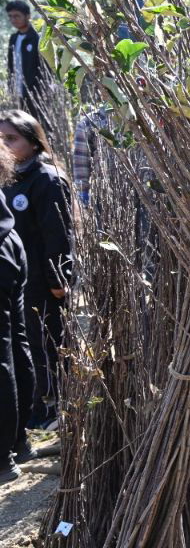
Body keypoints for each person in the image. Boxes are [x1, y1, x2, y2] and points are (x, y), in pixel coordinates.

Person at [0, 110, 74, 429]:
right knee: (24, 344)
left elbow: (58, 235)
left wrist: (59, 281)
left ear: (33, 142)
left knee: (47, 345)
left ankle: (53, 409)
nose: (4, 146)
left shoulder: (47, 179)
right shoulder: (8, 178)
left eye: (11, 139)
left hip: (43, 282)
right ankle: (33, 408)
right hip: (17, 280)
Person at [0, 144, 35, 482]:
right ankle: (19, 441)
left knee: (3, 355)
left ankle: (3, 457)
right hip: (9, 243)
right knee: (14, 343)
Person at [6, 1, 52, 127]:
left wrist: (42, 90)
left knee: (39, 126)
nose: (13, 19)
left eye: (17, 16)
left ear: (27, 16)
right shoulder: (14, 38)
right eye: (10, 16)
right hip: (18, 91)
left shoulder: (37, 38)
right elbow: (11, 66)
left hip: (36, 92)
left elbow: (46, 67)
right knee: (22, 126)